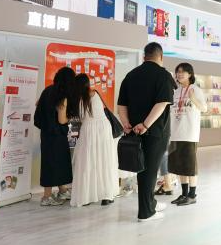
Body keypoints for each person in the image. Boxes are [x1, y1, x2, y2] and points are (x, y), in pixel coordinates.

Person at [117, 42, 175, 222]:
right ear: (161, 56)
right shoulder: (163, 75)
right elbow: (162, 103)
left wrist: (126, 123)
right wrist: (146, 124)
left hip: (134, 131)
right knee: (149, 170)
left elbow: (121, 105)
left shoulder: (131, 75)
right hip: (155, 131)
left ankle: (151, 203)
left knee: (143, 169)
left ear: (144, 56)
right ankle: (146, 212)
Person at [70, 74, 119, 207]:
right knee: (104, 161)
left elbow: (80, 118)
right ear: (87, 83)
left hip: (88, 130)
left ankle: (87, 196)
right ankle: (107, 195)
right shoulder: (95, 93)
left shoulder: (77, 99)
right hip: (103, 128)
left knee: (88, 162)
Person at [34, 67, 75, 206]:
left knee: (53, 162)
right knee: (55, 163)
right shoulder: (62, 96)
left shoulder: (47, 90)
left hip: (46, 133)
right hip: (57, 135)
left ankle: (62, 190)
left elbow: (37, 104)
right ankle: (46, 197)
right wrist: (70, 117)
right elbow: (62, 120)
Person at [169, 63, 205, 206]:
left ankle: (192, 195)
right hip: (175, 133)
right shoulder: (175, 92)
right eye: (177, 72)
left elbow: (204, 108)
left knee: (190, 166)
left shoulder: (195, 90)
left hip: (189, 133)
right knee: (179, 166)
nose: (179, 74)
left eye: (183, 72)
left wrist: (193, 98)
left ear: (190, 74)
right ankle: (184, 194)